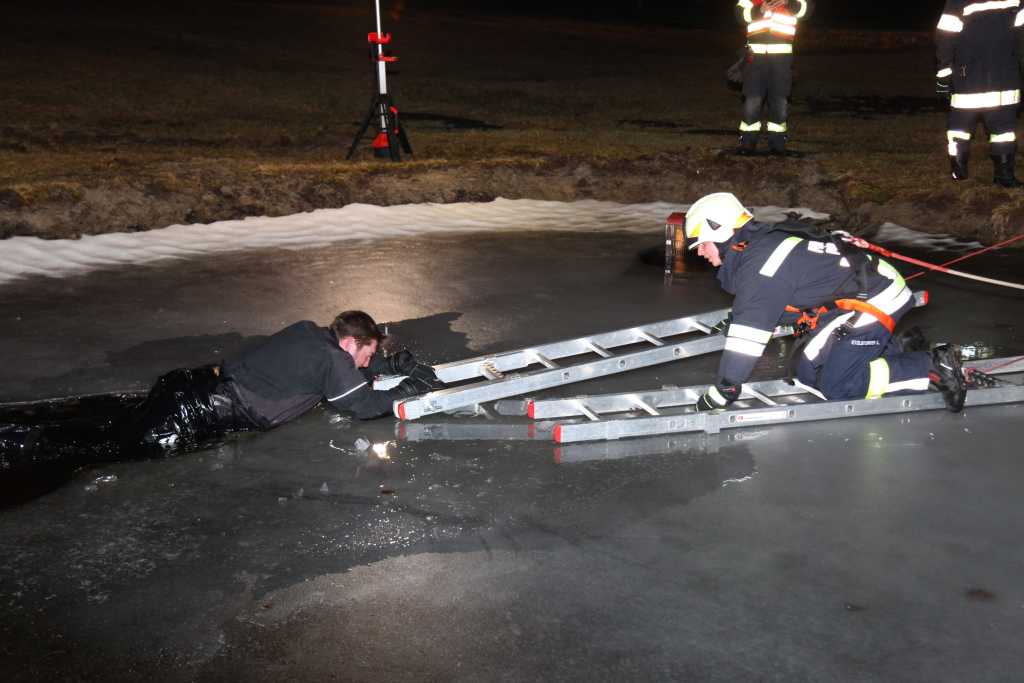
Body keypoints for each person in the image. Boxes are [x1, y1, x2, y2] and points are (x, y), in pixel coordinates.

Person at [0, 310, 439, 472]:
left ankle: (26, 431)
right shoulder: (333, 360)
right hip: (191, 413)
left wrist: (384, 365)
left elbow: (340, 370)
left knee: (115, 425)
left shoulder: (310, 333)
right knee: (103, 448)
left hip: (189, 387)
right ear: (350, 343)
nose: (364, 363)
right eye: (367, 354)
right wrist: (407, 389)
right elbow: (362, 406)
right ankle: (17, 440)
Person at [682, 192, 968, 414]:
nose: (701, 253)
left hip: (876, 298)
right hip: (849, 300)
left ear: (720, 233)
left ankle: (931, 366)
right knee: (808, 374)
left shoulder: (761, 264)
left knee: (839, 386)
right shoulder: (760, 250)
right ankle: (897, 348)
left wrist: (726, 389)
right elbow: (780, 300)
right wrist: (739, 317)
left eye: (701, 244)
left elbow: (749, 337)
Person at [935, 0, 1023, 187]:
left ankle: (960, 173)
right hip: (1003, 77)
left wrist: (943, 73)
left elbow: (945, 37)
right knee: (1003, 130)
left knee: (961, 128)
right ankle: (1004, 176)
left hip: (969, 79)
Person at [734, 0, 812, 155]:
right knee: (752, 99)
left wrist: (788, 2)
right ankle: (747, 144)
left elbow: (806, 10)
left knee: (779, 100)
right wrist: (760, 9)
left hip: (782, 57)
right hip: (755, 57)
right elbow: (739, 15)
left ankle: (778, 145)